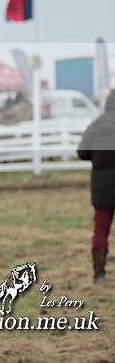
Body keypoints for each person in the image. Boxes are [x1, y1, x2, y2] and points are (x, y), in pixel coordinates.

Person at [77, 90, 115, 284]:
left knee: (101, 229)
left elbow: (82, 152)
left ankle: (99, 273)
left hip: (102, 186)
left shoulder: (95, 126)